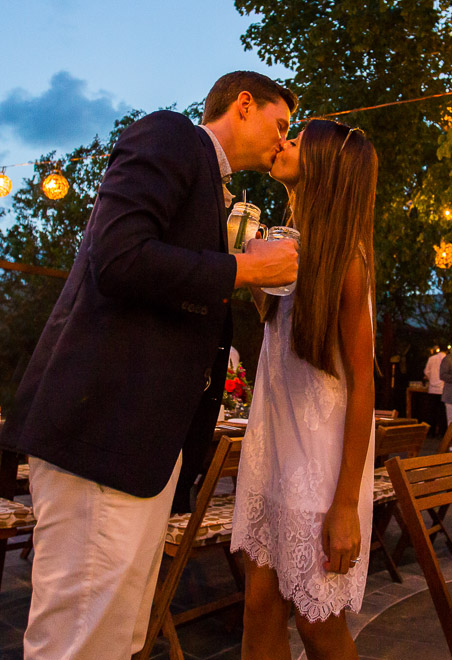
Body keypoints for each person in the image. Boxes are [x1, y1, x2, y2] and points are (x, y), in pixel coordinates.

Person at [0, 71, 299, 660]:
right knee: (79, 642)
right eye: (281, 123)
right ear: (244, 104)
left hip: (138, 451)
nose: (282, 140)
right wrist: (244, 270)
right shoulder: (170, 135)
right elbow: (119, 257)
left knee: (117, 637)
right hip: (103, 435)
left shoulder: (212, 187)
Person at [231, 119, 378, 660]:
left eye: (297, 140)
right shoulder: (289, 249)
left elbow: (364, 385)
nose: (284, 143)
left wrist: (345, 506)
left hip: (320, 470)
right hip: (271, 452)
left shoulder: (348, 262)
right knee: (258, 605)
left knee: (318, 625)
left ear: (326, 167)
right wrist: (250, 271)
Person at [423, 345, 447, 435]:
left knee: (431, 412)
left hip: (432, 389)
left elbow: (426, 372)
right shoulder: (447, 359)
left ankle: (431, 432)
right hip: (443, 389)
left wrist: (431, 379)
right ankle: (442, 432)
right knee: (442, 412)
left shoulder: (432, 358)